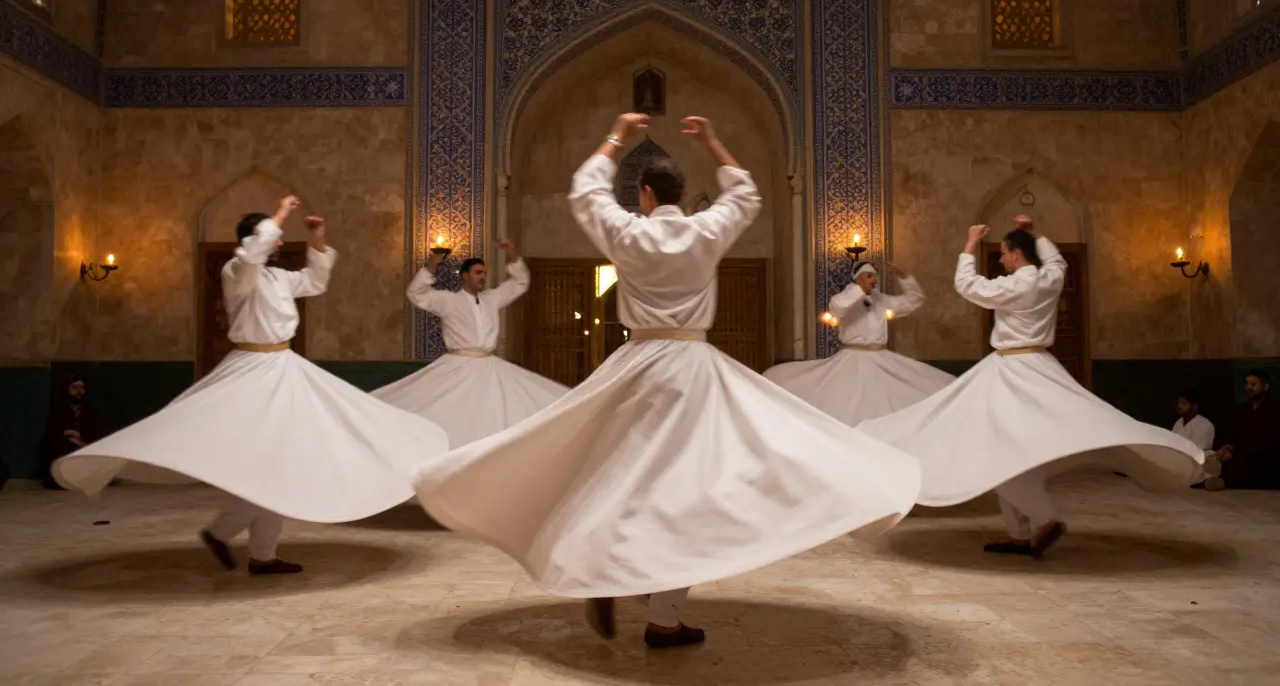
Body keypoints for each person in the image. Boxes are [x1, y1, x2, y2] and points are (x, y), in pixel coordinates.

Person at [411, 113, 920, 649]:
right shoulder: (706, 229)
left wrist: (615, 135)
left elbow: (585, 192)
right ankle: (659, 611)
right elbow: (744, 195)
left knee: (615, 470)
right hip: (692, 364)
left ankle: (616, 576)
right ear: (677, 193)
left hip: (636, 362)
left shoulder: (629, 231)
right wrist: (716, 141)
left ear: (645, 194)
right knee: (690, 485)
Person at [54, 196, 450, 574]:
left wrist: (316, 239)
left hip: (283, 367)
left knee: (277, 464)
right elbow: (252, 255)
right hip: (252, 367)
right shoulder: (236, 272)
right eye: (271, 233)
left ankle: (254, 550)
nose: (278, 238)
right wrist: (280, 213)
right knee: (268, 464)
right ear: (251, 238)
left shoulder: (279, 277)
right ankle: (235, 539)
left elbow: (315, 281)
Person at [859, 218, 1202, 558]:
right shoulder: (1048, 279)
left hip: (1013, 371)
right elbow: (1057, 261)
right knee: (1013, 452)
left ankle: (1046, 519)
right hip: (1039, 365)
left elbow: (967, 286)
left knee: (998, 454)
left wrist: (969, 244)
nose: (1001, 259)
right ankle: (1019, 535)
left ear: (1017, 254)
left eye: (1005, 253)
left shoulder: (1015, 286)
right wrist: (1034, 233)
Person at [374, 239, 569, 449]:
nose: (482, 277)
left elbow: (519, 283)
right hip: (458, 366)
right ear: (465, 275)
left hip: (488, 366)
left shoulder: (491, 299)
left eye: (484, 273)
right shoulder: (448, 301)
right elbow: (416, 293)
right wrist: (432, 265)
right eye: (477, 273)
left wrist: (512, 255)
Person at [763, 259, 955, 427]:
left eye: (874, 276)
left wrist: (905, 278)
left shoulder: (881, 300)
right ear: (857, 278)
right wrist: (860, 290)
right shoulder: (844, 298)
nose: (874, 280)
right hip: (852, 359)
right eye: (868, 276)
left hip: (880, 358)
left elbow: (915, 300)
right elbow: (838, 308)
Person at [1201, 370, 1280, 491]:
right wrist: (1228, 447)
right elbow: (1235, 434)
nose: (1248, 387)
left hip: (1264, 458)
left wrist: (1235, 452)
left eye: (1253, 384)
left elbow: (1266, 441)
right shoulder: (1243, 408)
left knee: (1246, 466)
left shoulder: (1274, 409)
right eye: (1247, 384)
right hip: (1242, 454)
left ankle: (1221, 481)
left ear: (1266, 386)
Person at [41, 375, 104, 489]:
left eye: (82, 388)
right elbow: (52, 434)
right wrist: (66, 435)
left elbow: (98, 436)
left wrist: (81, 442)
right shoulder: (58, 413)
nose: (79, 391)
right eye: (74, 388)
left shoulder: (92, 413)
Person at [1172, 388, 1216, 485]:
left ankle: (1208, 480)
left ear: (1194, 407)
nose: (1179, 406)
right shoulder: (1178, 423)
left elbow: (1198, 450)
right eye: (1179, 403)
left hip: (1197, 459)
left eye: (1183, 403)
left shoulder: (1204, 424)